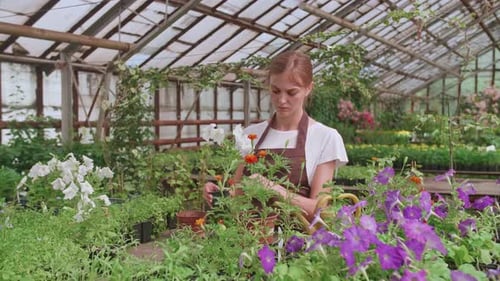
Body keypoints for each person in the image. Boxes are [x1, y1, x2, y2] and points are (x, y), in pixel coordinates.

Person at [203, 50, 348, 221]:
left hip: (296, 243)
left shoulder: (325, 137)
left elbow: (321, 210)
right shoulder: (251, 135)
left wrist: (273, 188)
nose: (281, 100)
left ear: (308, 88)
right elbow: (236, 193)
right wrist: (219, 192)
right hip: (247, 241)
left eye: (291, 92)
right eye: (275, 91)